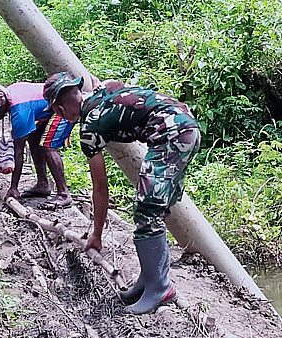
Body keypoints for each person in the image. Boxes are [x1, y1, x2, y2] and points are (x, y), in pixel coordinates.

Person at [43, 72, 201, 314]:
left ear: (60, 108)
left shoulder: (89, 129)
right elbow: (117, 85)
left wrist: (96, 234)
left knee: (148, 209)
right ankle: (149, 279)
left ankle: (160, 288)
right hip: (185, 123)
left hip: (171, 135)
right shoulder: (101, 91)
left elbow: (100, 188)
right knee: (155, 206)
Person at [0, 81, 74, 208]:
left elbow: (18, 152)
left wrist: (13, 187)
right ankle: (42, 184)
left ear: (0, 105)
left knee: (48, 146)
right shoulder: (9, 94)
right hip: (50, 108)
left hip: (65, 106)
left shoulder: (19, 112)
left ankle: (64, 194)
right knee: (34, 139)